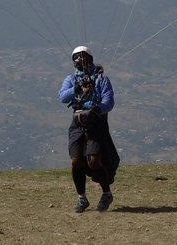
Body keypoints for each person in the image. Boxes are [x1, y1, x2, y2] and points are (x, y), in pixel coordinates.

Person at [58, 46, 119, 213]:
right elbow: (62, 97)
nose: (79, 60)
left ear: (89, 59)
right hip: (77, 121)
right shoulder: (71, 80)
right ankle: (82, 198)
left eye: (82, 57)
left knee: (94, 160)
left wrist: (97, 109)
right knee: (76, 161)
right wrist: (76, 89)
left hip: (96, 121)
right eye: (76, 57)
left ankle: (106, 193)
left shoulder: (101, 79)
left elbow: (108, 100)